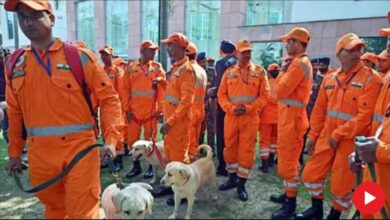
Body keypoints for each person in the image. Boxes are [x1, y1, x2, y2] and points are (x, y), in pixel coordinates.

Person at [4, 0, 122, 218]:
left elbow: (109, 100)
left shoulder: (79, 57)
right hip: (40, 157)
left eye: (35, 15)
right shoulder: (15, 64)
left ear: (51, 18)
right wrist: (14, 153)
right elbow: (14, 112)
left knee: (83, 213)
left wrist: (111, 139)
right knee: (55, 211)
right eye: (22, 17)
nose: (27, 22)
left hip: (80, 152)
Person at [294, 33, 382, 220]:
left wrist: (339, 134)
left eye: (359, 49)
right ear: (339, 53)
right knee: (311, 174)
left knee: (342, 184)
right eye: (350, 49)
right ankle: (316, 209)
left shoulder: (371, 79)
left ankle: (334, 215)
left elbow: (364, 117)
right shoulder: (330, 78)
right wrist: (313, 137)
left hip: (351, 140)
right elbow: (319, 111)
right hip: (328, 135)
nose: (356, 53)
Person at [217, 39, 269, 201]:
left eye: (249, 51)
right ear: (236, 53)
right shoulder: (229, 72)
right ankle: (232, 179)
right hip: (231, 117)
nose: (247, 54)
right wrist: (231, 108)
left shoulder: (260, 72)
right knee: (230, 148)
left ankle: (241, 185)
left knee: (246, 151)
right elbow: (221, 95)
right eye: (243, 52)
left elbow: (264, 96)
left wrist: (248, 108)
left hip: (250, 118)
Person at [270, 27, 313, 219]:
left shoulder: (298, 64)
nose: (286, 45)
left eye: (288, 41)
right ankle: (288, 194)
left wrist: (283, 72)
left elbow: (279, 92)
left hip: (293, 121)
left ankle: (290, 204)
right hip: (291, 119)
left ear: (297, 43)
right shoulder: (300, 63)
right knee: (288, 161)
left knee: (289, 162)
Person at [349, 26, 390, 220]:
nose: (388, 44)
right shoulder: (388, 79)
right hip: (374, 173)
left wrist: (379, 151)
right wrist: (363, 153)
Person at [152, 32, 195, 205]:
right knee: (170, 154)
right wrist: (162, 83)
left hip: (177, 123)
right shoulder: (177, 67)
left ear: (179, 47)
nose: (167, 48)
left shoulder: (186, 70)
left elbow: (186, 102)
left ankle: (184, 192)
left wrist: (170, 122)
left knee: (179, 159)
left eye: (170, 45)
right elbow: (173, 93)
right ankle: (172, 186)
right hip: (171, 122)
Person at [122, 40, 165, 179]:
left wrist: (160, 109)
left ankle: (151, 168)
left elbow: (163, 90)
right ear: (143, 51)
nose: (154, 52)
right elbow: (125, 89)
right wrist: (126, 109)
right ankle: (136, 167)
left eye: (155, 50)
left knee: (150, 142)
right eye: (151, 50)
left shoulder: (158, 67)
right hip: (133, 113)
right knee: (132, 140)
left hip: (151, 113)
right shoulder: (130, 67)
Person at [99, 46, 125, 171]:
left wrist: (121, 108)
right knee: (105, 132)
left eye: (106, 55)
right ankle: (108, 159)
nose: (104, 57)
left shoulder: (117, 71)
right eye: (102, 55)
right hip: (103, 107)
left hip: (115, 107)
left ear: (111, 56)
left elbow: (121, 91)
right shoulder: (100, 71)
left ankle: (118, 161)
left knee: (116, 133)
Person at [213, 40, 237, 176]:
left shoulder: (221, 63)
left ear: (222, 51)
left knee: (222, 135)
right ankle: (234, 165)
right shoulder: (239, 63)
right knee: (235, 136)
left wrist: (213, 92)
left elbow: (220, 85)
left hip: (224, 105)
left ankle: (223, 165)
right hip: (238, 105)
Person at [186, 43, 207, 162]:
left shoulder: (187, 69)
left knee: (189, 142)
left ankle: (190, 165)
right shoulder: (202, 70)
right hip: (200, 109)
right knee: (195, 138)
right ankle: (194, 161)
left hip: (190, 110)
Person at [258, 63, 279, 173]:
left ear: (269, 73)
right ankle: (271, 160)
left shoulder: (266, 85)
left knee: (265, 141)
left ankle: (264, 165)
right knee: (274, 140)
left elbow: (262, 101)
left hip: (266, 117)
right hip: (279, 117)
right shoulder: (282, 84)